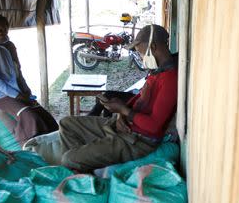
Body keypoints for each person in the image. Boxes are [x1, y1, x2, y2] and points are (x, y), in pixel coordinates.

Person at [58, 24, 178, 172]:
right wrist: (121, 112)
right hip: (124, 126)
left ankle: (78, 165)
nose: (141, 58)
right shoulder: (158, 71)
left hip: (136, 140)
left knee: (67, 159)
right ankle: (81, 166)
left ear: (153, 47)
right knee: (66, 123)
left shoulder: (170, 79)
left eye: (141, 54)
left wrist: (125, 111)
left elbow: (153, 127)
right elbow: (140, 98)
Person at [0, 13, 58, 144]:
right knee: (29, 116)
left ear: (8, 27)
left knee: (43, 113)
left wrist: (26, 91)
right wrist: (17, 95)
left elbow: (18, 72)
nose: (0, 32)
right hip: (0, 95)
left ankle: (53, 142)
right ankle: (27, 146)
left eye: (3, 28)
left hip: (18, 91)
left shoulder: (10, 45)